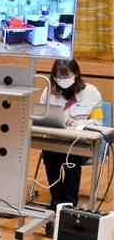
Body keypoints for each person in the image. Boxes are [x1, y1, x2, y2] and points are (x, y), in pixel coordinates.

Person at [40, 59, 103, 207]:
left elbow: (98, 122)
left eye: (66, 77)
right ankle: (56, 199)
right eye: (59, 77)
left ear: (76, 74)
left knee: (72, 159)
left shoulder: (91, 92)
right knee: (49, 154)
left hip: (80, 143)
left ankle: (68, 203)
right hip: (56, 139)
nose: (63, 81)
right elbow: (42, 115)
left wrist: (78, 124)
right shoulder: (49, 91)